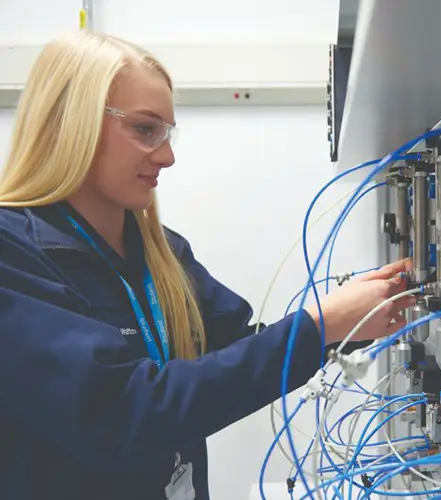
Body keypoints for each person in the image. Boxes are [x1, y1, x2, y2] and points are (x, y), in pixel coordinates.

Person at [0, 30, 414, 500]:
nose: (167, 155)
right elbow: (120, 412)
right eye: (144, 129)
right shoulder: (14, 255)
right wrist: (318, 326)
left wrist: (345, 324)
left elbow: (238, 351)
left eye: (167, 133)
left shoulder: (163, 253)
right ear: (73, 123)